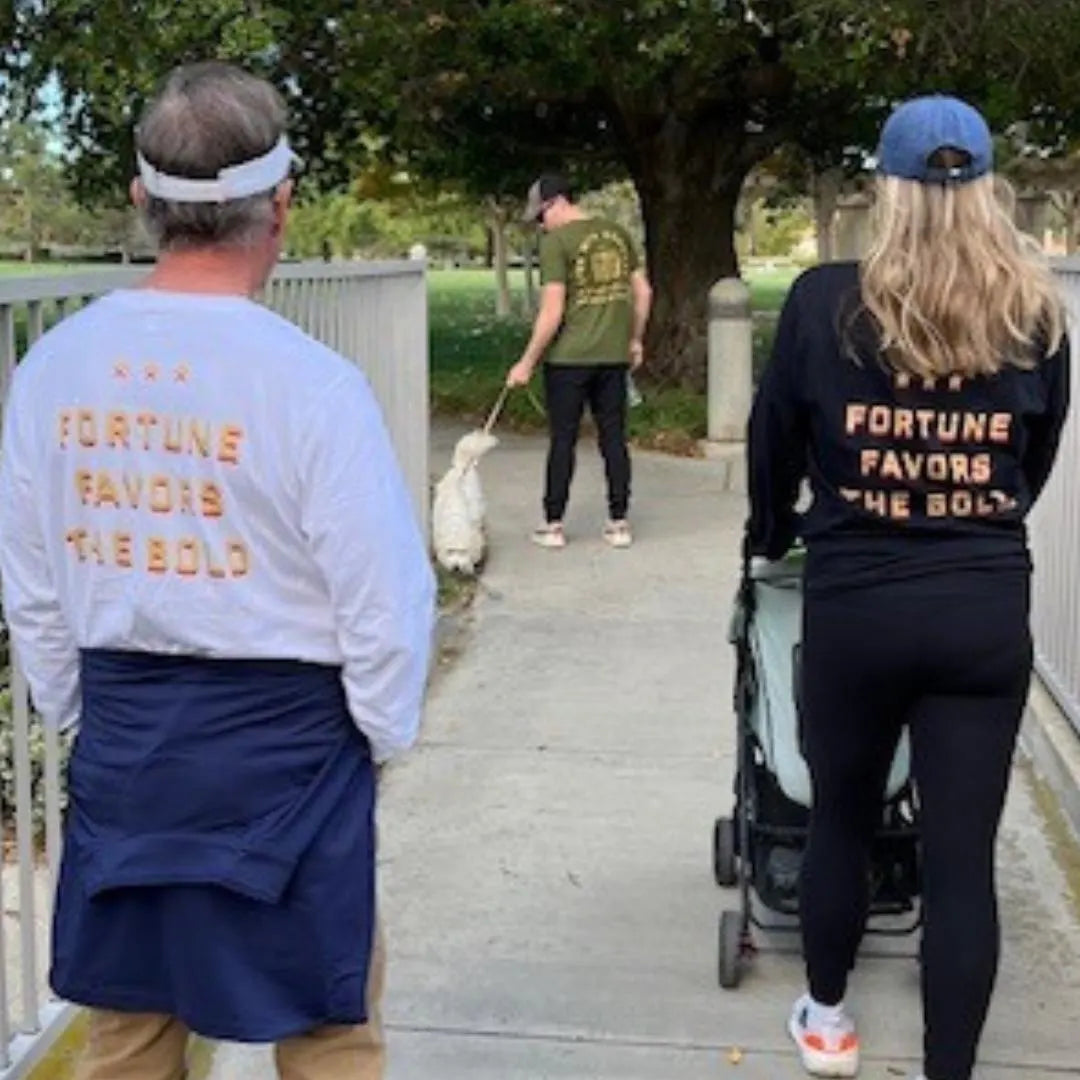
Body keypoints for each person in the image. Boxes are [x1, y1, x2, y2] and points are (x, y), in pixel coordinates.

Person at [0, 62, 435, 1080]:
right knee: (329, 1029)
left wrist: (83, 710)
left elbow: (30, 579)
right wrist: (377, 734)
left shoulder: (54, 368)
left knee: (130, 1031)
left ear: (144, 200)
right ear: (280, 205)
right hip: (292, 749)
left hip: (130, 747)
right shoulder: (315, 386)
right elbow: (382, 599)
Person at [747, 95, 1070, 1080]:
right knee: (963, 859)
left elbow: (774, 449)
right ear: (987, 193)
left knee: (842, 814)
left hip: (857, 605)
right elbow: (1033, 460)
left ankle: (831, 1021)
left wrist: (774, 535)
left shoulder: (822, 301)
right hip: (980, 609)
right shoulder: (1034, 315)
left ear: (884, 191)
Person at [506, 172, 652, 549]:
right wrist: (634, 339)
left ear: (555, 203)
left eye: (540, 216)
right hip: (613, 357)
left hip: (568, 359)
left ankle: (553, 524)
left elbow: (552, 311)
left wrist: (526, 362)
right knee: (614, 438)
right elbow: (644, 292)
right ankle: (619, 522)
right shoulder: (618, 234)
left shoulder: (557, 243)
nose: (540, 225)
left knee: (563, 440)